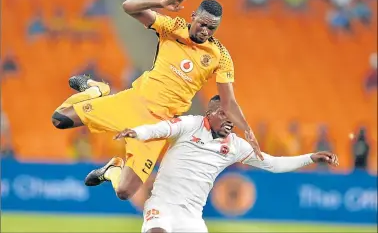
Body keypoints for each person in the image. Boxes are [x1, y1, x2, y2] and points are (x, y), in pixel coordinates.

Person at [51, 0, 263, 201]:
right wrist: (160, 3)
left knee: (124, 192)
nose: (205, 31)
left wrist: (247, 130)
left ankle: (113, 169)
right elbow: (128, 6)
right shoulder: (172, 27)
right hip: (132, 102)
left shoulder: (220, 56)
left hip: (157, 126)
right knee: (59, 119)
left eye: (212, 28)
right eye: (202, 24)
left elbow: (228, 102)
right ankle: (97, 90)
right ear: (193, 16)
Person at [94, 95, 338, 233]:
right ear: (209, 113)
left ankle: (115, 169)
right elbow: (163, 128)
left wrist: (310, 157)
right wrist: (137, 132)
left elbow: (273, 164)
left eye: (231, 116)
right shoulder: (190, 125)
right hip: (162, 206)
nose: (229, 120)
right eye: (223, 114)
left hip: (191, 217)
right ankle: (115, 169)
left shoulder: (235, 145)